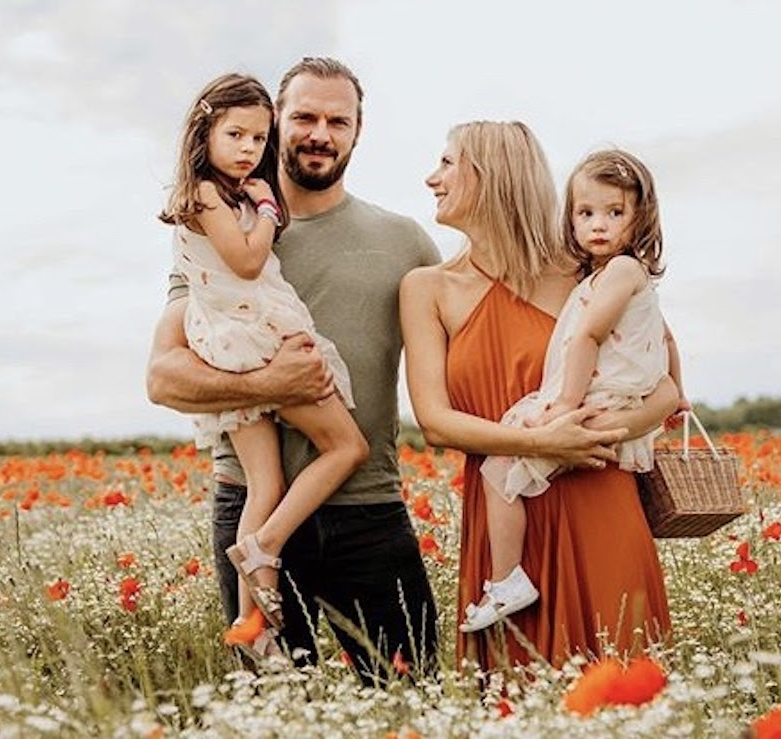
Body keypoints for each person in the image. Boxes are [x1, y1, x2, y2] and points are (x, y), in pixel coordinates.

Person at [147, 58, 441, 683]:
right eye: (305, 117)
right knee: (275, 707)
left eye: (339, 121)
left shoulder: (405, 242)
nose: (320, 134)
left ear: (358, 130)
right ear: (277, 122)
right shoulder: (223, 229)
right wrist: (270, 384)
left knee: (412, 692)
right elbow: (164, 377)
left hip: (367, 506)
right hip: (249, 498)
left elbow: (460, 355)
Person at [400, 121, 677, 669]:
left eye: (448, 163)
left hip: (598, 497)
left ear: (492, 175)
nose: (432, 178)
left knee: (618, 684)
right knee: (517, 695)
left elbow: (663, 385)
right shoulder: (427, 288)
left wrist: (586, 437)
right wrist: (542, 443)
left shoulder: (588, 272)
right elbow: (433, 421)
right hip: (506, 518)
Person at [158, 72, 370, 657]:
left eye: (259, 138)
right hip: (255, 338)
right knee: (347, 447)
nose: (250, 149)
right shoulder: (207, 194)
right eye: (236, 135)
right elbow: (249, 262)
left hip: (232, 340)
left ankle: (255, 629)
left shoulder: (223, 195)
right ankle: (265, 545)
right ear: (203, 133)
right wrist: (270, 208)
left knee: (267, 482)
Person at [459, 149, 687, 633]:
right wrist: (679, 392)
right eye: (585, 213)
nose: (598, 224)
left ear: (641, 218)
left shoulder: (621, 271)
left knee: (498, 471)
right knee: (510, 467)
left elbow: (588, 335)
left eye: (615, 212)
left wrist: (563, 404)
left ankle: (507, 579)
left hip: (594, 401)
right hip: (609, 400)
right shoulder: (609, 277)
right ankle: (509, 579)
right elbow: (667, 339)